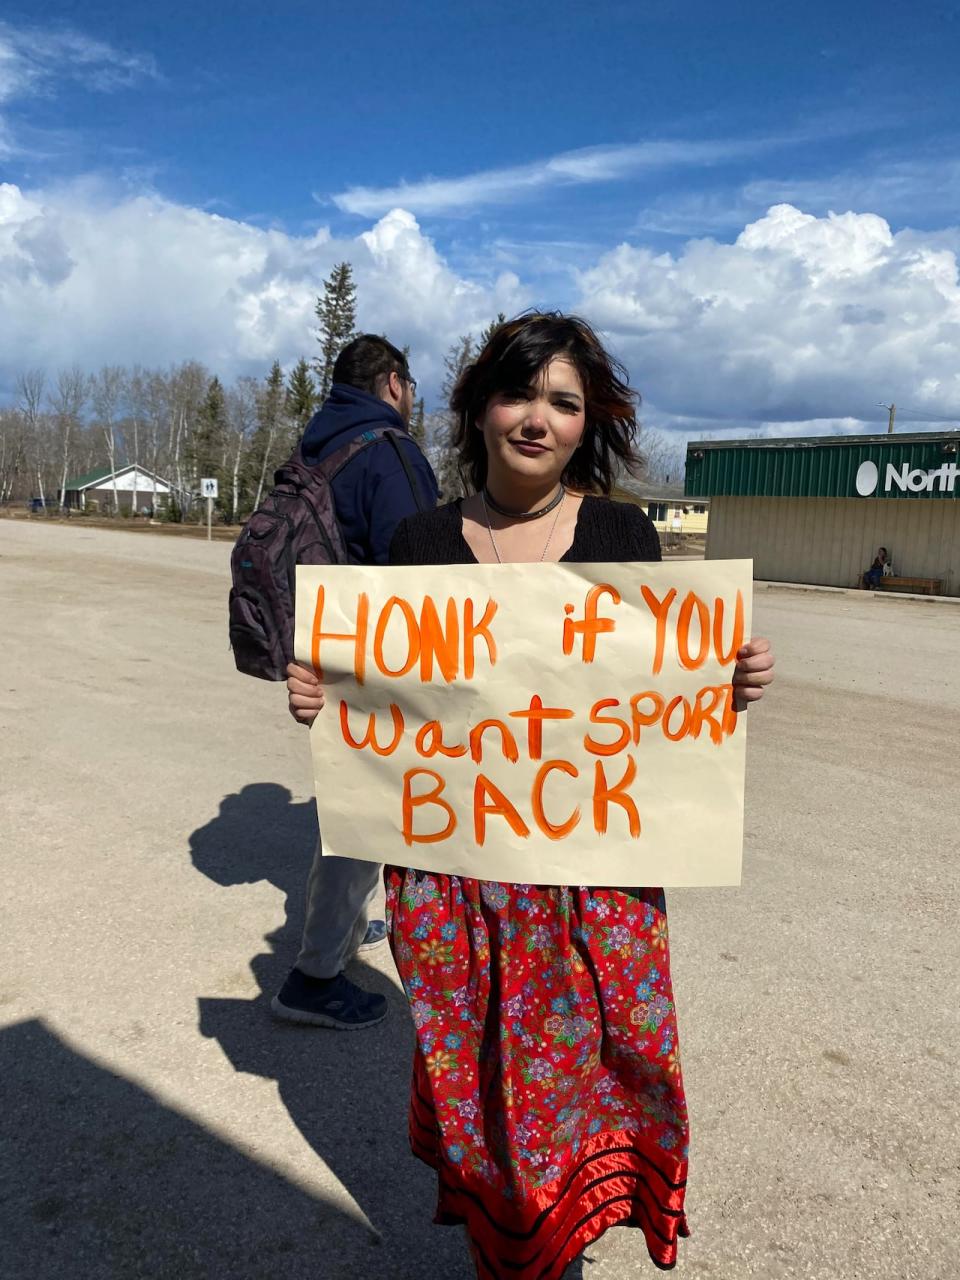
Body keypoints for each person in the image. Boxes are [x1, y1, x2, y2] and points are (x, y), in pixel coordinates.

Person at [287, 313, 775, 1275]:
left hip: (596, 880)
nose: (538, 420)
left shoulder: (621, 532)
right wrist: (325, 694)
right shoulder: (423, 538)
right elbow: (389, 700)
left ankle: (558, 1238)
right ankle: (509, 1237)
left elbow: (653, 691)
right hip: (459, 883)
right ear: (478, 409)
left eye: (564, 402)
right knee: (487, 1092)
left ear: (588, 424)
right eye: (519, 394)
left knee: (593, 1080)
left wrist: (730, 676)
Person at [272, 334, 439, 1031]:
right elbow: (423, 560)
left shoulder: (317, 446)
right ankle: (314, 976)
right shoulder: (390, 453)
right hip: (381, 661)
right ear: (393, 382)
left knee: (353, 798)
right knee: (367, 812)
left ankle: (343, 933)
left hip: (327, 647)